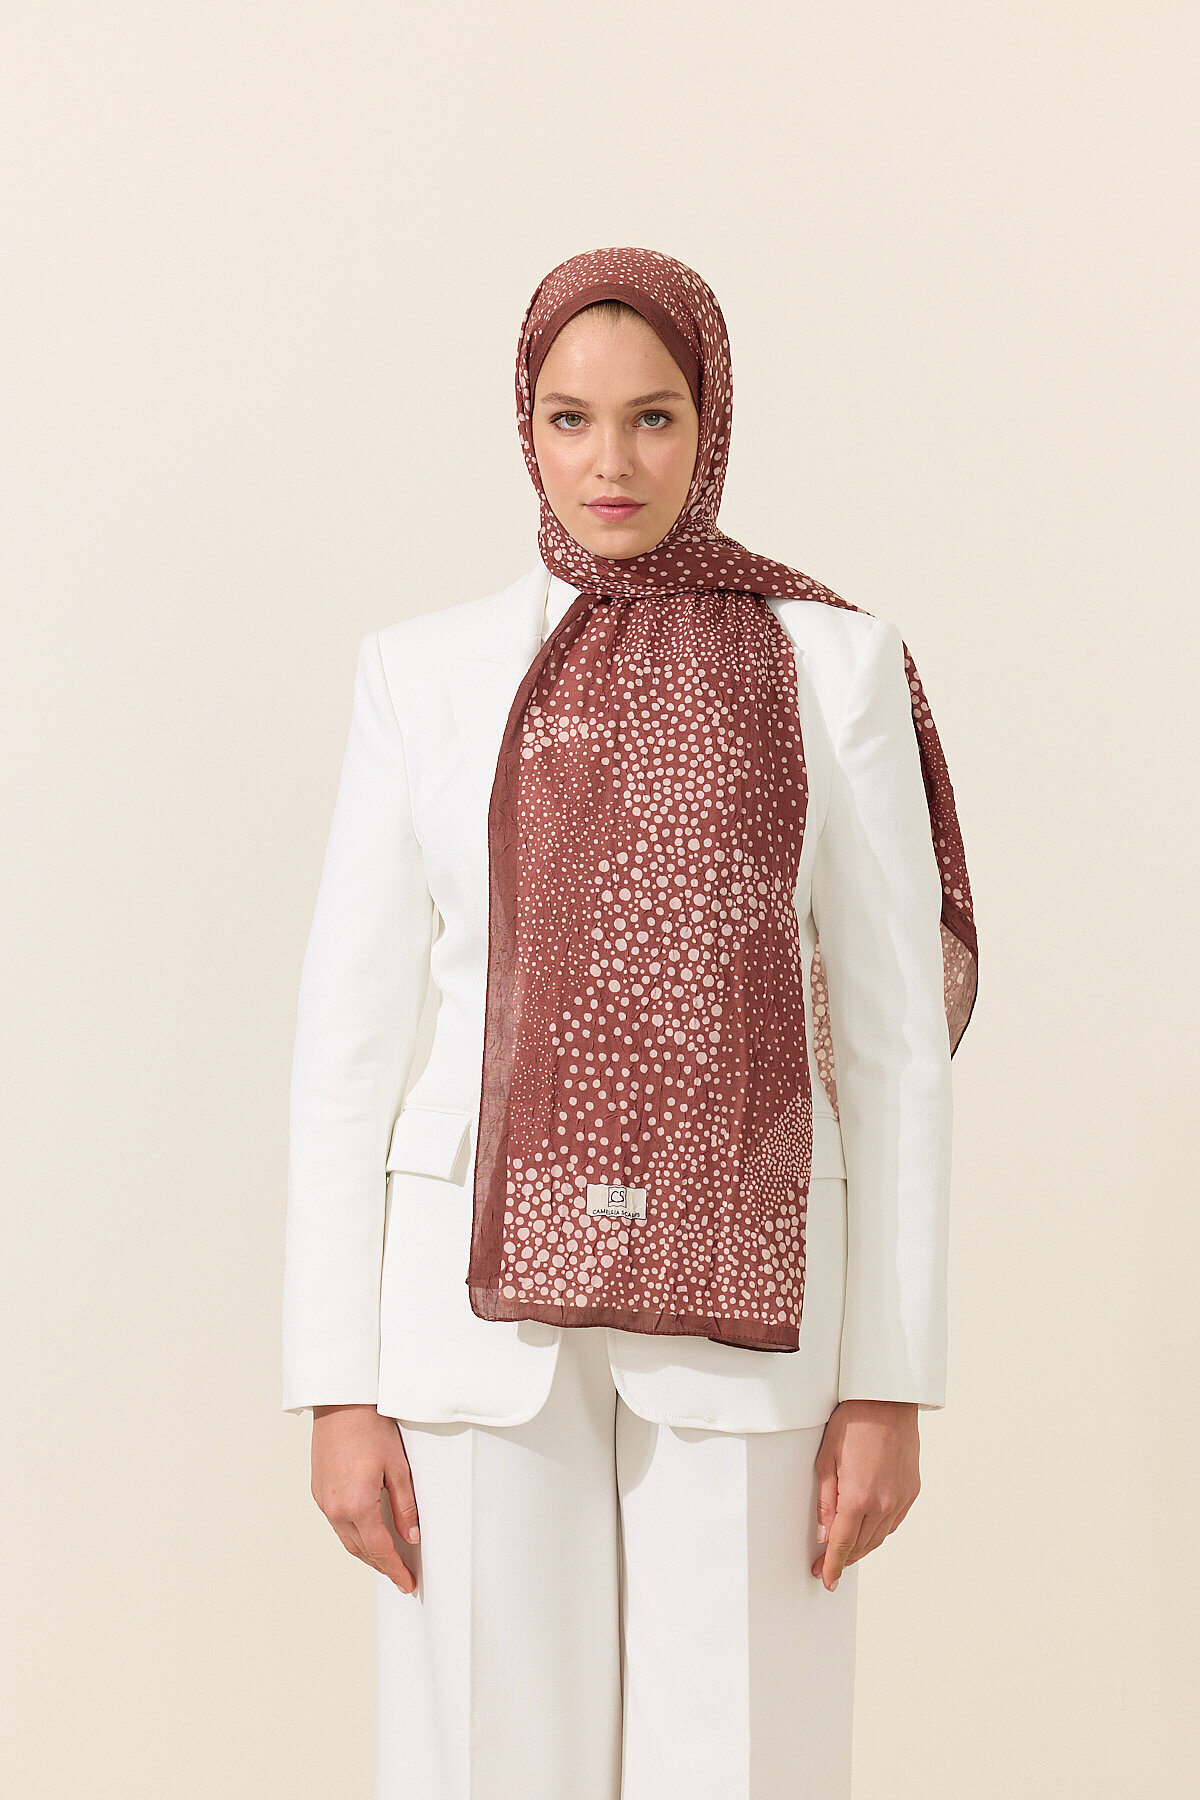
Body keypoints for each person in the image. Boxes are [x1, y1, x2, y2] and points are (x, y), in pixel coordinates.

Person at [281, 246, 977, 1800]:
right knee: (484, 1768)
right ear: (522, 426)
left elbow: (890, 1052)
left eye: (655, 418)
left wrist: (892, 1379)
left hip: (757, 1308)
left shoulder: (832, 663)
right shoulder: (421, 673)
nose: (613, 462)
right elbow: (348, 1048)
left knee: (740, 1766)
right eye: (571, 418)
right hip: (468, 1316)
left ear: (711, 422)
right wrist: (334, 1381)